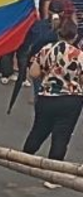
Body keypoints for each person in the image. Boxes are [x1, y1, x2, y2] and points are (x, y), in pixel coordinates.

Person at [23, 20, 83, 178]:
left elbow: (34, 73)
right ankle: (53, 175)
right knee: (62, 135)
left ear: (58, 33)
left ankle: (24, 158)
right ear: (75, 36)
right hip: (71, 99)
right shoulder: (79, 55)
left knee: (39, 129)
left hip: (47, 96)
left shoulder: (46, 50)